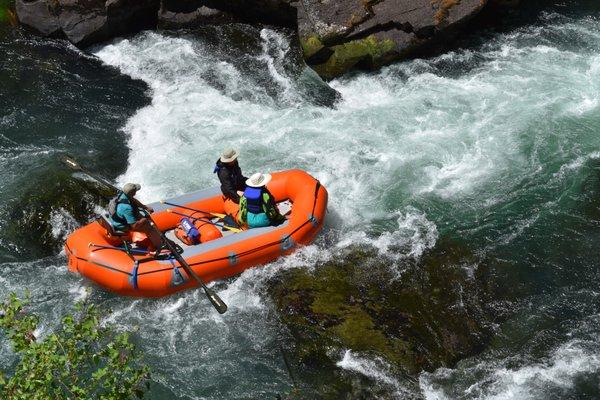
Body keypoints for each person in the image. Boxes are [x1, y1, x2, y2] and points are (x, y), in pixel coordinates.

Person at [108, 183, 163, 250]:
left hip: (121, 218)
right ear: (132, 193)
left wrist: (145, 207)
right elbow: (134, 226)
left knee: (145, 217)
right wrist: (144, 219)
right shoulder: (127, 208)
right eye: (135, 191)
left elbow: (134, 200)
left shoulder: (123, 195)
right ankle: (159, 247)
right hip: (122, 226)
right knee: (149, 227)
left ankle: (159, 236)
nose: (136, 193)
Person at [214, 148, 248, 217]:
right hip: (230, 190)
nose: (236, 158)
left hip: (238, 182)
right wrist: (239, 196)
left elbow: (239, 176)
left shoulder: (234, 162)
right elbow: (228, 188)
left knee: (254, 185)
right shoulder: (223, 172)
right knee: (245, 201)